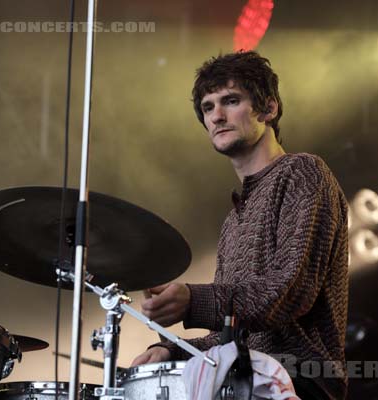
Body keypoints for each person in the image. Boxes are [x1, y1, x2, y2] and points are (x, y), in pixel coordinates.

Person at [131, 51, 349, 400]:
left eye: (231, 101)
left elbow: (290, 292)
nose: (216, 115)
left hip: (300, 382)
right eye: (207, 107)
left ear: (269, 109)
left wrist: (194, 301)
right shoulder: (232, 221)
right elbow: (231, 335)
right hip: (244, 379)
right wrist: (174, 351)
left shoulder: (303, 172)